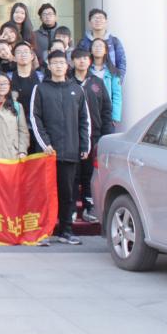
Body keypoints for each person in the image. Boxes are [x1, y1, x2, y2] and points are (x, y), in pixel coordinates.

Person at [29, 50, 90, 246]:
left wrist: (84, 144)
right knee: (45, 194)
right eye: (54, 63)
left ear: (67, 66)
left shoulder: (77, 90)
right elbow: (35, 118)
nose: (58, 66)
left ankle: (66, 231)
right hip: (47, 153)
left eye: (61, 63)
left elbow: (84, 120)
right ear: (48, 65)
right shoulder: (40, 89)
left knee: (67, 194)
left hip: (70, 151)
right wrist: (45, 143)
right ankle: (43, 232)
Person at [71, 48, 113, 224]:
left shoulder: (97, 83)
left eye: (85, 58)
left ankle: (90, 207)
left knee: (90, 173)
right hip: (71, 136)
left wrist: (106, 136)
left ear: (89, 61)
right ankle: (72, 208)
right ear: (72, 61)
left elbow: (106, 110)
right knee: (73, 174)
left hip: (94, 136)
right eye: (78, 58)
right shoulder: (67, 82)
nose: (82, 61)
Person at [9, 41, 44, 149]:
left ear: (32, 56)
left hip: (38, 125)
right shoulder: (8, 78)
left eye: (25, 52)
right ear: (14, 57)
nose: (22, 55)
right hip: (15, 126)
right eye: (19, 52)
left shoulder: (41, 77)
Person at [0, 73, 28, 160]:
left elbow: (23, 131)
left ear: (9, 86)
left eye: (5, 83)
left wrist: (22, 151)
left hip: (13, 155)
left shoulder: (17, 106)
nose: (1, 86)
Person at [77, 8, 127, 80]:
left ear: (106, 22)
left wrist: (117, 82)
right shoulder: (83, 42)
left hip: (110, 82)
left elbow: (122, 63)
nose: (98, 20)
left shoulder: (114, 41)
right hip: (88, 82)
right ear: (90, 22)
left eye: (101, 18)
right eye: (95, 18)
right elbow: (78, 62)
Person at [89, 38, 122, 129]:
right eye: (95, 46)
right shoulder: (86, 70)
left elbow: (117, 95)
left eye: (101, 46)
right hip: (89, 112)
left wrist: (114, 117)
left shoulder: (113, 71)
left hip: (107, 114)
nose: (98, 48)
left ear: (106, 51)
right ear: (91, 50)